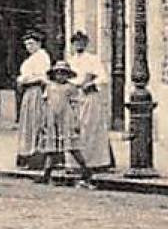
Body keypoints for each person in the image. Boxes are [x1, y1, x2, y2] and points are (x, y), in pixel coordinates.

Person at [38, 59, 96, 188]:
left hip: (66, 117)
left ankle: (85, 170)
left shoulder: (71, 87)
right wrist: (44, 120)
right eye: (58, 73)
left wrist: (76, 121)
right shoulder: (49, 87)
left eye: (63, 73)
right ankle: (46, 174)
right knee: (51, 148)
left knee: (72, 147)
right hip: (52, 117)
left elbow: (75, 104)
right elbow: (45, 104)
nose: (60, 76)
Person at [68, 31, 115, 172]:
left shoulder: (93, 59)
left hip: (90, 97)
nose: (78, 45)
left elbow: (103, 78)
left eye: (81, 42)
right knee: (76, 130)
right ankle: (76, 163)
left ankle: (96, 162)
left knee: (91, 129)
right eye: (75, 42)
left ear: (86, 44)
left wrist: (91, 83)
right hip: (75, 98)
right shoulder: (70, 61)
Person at [15, 30, 51, 170]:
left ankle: (36, 156)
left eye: (31, 44)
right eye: (26, 45)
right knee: (27, 123)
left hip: (36, 91)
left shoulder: (42, 57)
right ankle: (26, 154)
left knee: (36, 122)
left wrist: (25, 79)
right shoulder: (30, 59)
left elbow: (43, 77)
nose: (29, 47)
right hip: (28, 93)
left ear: (38, 44)